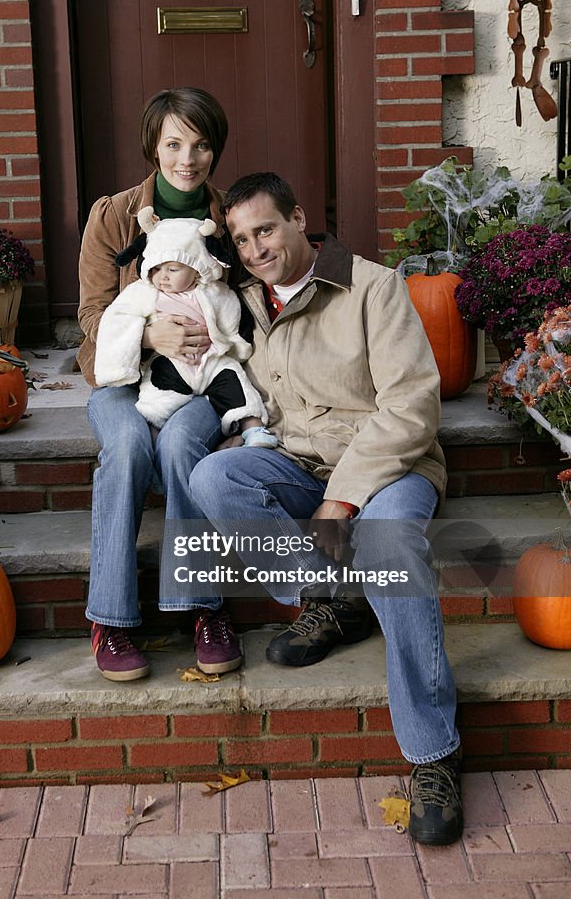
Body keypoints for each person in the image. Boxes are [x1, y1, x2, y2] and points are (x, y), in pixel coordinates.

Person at [188, 171, 463, 846]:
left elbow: (412, 407)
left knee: (389, 545)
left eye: (266, 230)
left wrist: (343, 499)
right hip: (299, 461)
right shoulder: (246, 300)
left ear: (298, 218)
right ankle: (330, 594)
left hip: (385, 465)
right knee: (215, 478)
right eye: (242, 238)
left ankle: (433, 755)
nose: (255, 248)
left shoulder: (370, 286)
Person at [77, 87, 245, 683]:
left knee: (179, 447)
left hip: (202, 381)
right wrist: (150, 335)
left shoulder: (232, 216)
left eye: (201, 145)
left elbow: (252, 307)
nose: (187, 158)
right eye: (174, 143)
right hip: (124, 380)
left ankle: (204, 609)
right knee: (125, 447)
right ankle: (112, 619)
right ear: (153, 145)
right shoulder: (114, 216)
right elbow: (93, 319)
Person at [93, 207, 276, 447]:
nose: (163, 277)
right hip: (171, 363)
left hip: (212, 362)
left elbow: (231, 315)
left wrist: (234, 343)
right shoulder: (146, 292)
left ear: (196, 269)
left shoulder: (214, 292)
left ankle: (254, 429)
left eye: (173, 269)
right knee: (155, 402)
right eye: (156, 269)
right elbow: (115, 318)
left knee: (237, 383)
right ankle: (154, 432)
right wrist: (143, 337)